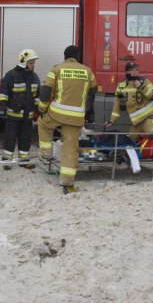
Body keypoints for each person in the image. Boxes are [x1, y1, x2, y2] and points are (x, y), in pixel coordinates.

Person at [38, 45, 97, 194]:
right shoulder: (87, 71)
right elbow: (93, 91)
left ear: (65, 56)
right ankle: (67, 183)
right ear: (78, 56)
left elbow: (46, 92)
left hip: (56, 113)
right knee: (70, 148)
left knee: (43, 124)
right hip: (76, 117)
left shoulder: (56, 69)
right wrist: (86, 109)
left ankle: (46, 155)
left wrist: (42, 109)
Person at [105, 61, 153, 138]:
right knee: (130, 142)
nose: (136, 72)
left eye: (137, 70)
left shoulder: (144, 81)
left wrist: (141, 87)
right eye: (133, 70)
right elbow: (116, 106)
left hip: (148, 118)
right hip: (136, 123)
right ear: (127, 72)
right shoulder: (121, 85)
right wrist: (112, 120)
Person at [0, 49, 41, 170]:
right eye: (31, 63)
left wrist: (37, 110)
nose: (33, 65)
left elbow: (37, 95)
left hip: (28, 116)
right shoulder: (11, 75)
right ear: (24, 62)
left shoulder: (34, 77)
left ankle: (23, 160)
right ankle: (7, 161)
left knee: (25, 138)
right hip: (13, 116)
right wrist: (2, 109)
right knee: (10, 138)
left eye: (33, 62)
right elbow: (3, 93)